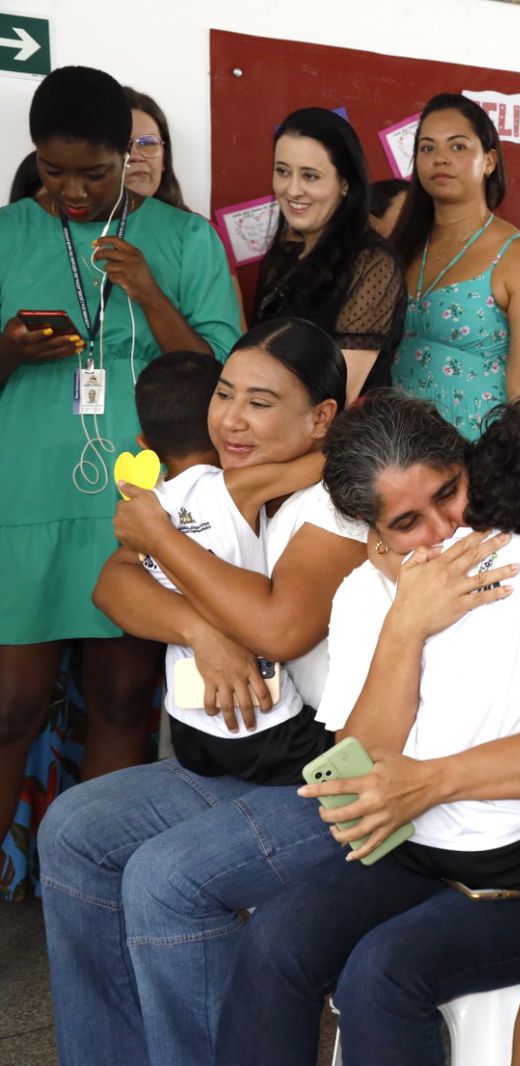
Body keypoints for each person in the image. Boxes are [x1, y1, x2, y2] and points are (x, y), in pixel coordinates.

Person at [214, 396, 520, 1066]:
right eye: (408, 521)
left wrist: (430, 783)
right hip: (422, 851)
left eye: (450, 492)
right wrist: (406, 626)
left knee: (382, 973)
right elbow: (356, 777)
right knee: (276, 941)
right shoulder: (368, 592)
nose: (444, 529)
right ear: (370, 527)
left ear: (469, 461)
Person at [41, 318, 363, 1066]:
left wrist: (164, 543)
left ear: (321, 418)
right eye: (225, 395)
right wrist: (204, 630)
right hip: (239, 759)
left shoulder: (342, 503)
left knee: (167, 879)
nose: (231, 419)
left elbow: (281, 630)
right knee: (73, 828)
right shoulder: (200, 486)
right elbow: (112, 585)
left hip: (338, 772)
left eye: (260, 402)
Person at [0, 66, 240, 844]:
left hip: (139, 507)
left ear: (129, 154)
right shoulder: (6, 236)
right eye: (53, 169)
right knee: (8, 707)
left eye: (93, 172)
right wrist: (7, 351)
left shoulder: (183, 238)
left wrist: (150, 294)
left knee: (122, 697)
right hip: (24, 500)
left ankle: (86, 883)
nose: (72, 190)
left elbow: (223, 378)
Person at [123, 349, 326, 752]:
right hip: (261, 715)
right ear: (218, 428)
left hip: (189, 723)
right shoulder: (236, 488)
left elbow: (116, 579)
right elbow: (322, 466)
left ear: (145, 443)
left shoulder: (145, 510)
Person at [391, 92, 520, 439]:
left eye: (457, 147)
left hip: (480, 456)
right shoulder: (403, 247)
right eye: (427, 148)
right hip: (399, 457)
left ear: (489, 161)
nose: (440, 159)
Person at [253, 107, 405, 401]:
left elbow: (339, 399)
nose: (293, 189)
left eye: (310, 176)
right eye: (283, 171)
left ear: (345, 183)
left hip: (331, 440)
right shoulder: (283, 256)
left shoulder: (373, 264)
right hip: (273, 430)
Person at [123, 87, 186, 210]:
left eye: (148, 143)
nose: (136, 156)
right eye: (121, 144)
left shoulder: (195, 227)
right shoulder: (75, 228)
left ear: (164, 159)